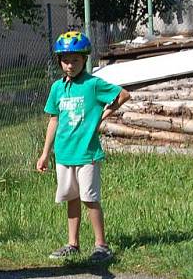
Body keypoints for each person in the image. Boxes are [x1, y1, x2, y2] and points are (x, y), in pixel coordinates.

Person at [36, 31, 130, 263]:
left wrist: (101, 116)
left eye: (75, 60)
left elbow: (123, 95)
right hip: (64, 153)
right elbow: (54, 120)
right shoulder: (57, 88)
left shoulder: (92, 84)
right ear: (60, 61)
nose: (70, 65)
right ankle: (73, 244)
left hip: (87, 153)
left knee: (90, 197)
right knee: (72, 198)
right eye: (66, 60)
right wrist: (45, 153)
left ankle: (101, 245)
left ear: (84, 60)